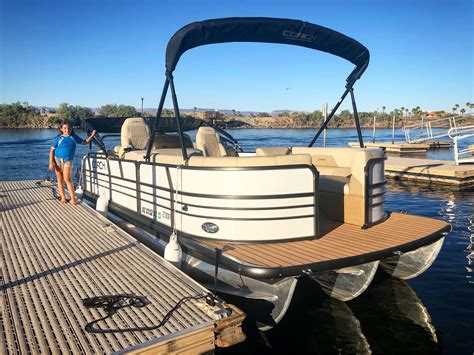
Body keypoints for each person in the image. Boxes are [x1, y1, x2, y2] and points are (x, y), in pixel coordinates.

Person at [49, 120, 96, 205]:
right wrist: (51, 163)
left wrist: (92, 135)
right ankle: (63, 197)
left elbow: (84, 142)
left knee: (67, 178)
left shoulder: (73, 137)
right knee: (60, 179)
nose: (67, 130)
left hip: (68, 160)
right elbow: (52, 151)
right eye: (65, 128)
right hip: (57, 159)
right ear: (61, 129)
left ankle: (73, 198)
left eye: (69, 128)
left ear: (71, 129)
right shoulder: (58, 138)